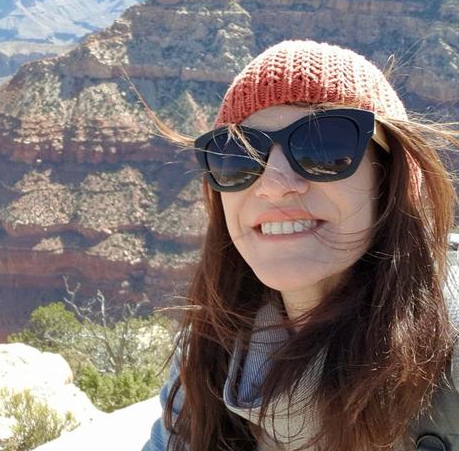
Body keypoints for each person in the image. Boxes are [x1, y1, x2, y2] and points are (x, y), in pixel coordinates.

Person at [142, 40, 459, 451]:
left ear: (392, 177)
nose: (273, 185)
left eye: (323, 146)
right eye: (238, 155)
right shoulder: (207, 360)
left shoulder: (446, 355)